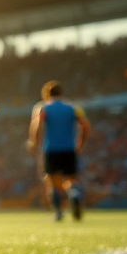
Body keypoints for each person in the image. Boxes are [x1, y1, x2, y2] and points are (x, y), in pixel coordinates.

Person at [28, 80, 91, 221]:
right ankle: (74, 194)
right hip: (69, 149)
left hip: (51, 149)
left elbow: (37, 125)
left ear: (46, 95)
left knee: (52, 181)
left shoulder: (43, 108)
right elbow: (86, 126)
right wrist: (80, 144)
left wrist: (34, 143)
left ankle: (58, 212)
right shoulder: (73, 108)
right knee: (71, 180)